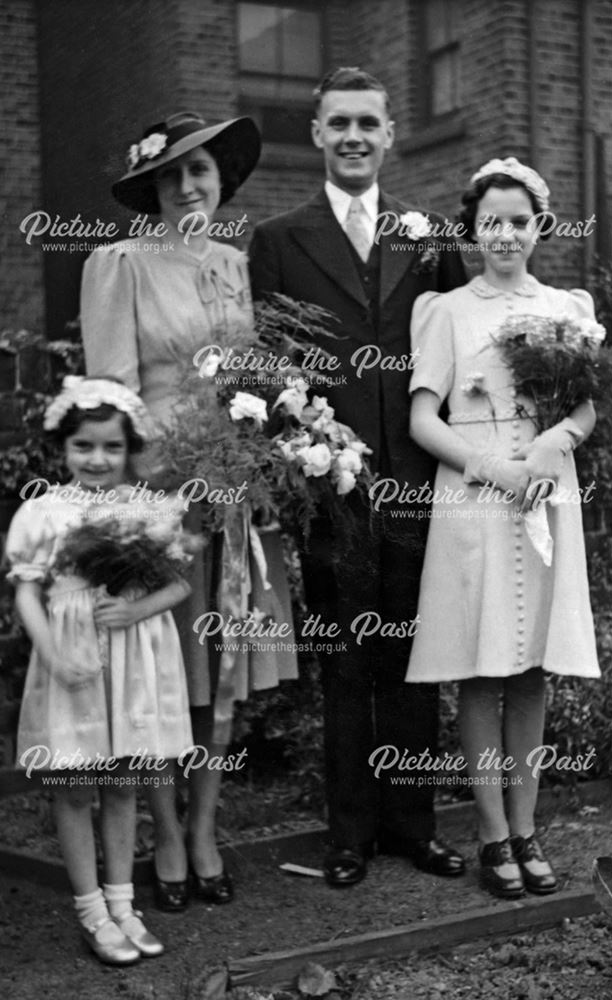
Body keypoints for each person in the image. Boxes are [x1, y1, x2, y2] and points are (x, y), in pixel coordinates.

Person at [249, 67, 467, 887]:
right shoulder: (276, 238)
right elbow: (268, 367)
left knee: (415, 654)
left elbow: (458, 353)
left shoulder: (429, 236)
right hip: (329, 487)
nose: (352, 137)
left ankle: (413, 825)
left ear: (387, 134)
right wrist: (311, 445)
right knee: (344, 660)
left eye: (366, 124)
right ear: (315, 134)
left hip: (417, 483)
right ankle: (347, 835)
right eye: (337, 123)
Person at [80, 112, 297, 910]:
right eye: (170, 176)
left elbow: (258, 384)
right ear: (151, 190)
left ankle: (207, 828)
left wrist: (255, 465)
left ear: (220, 180)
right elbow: (109, 399)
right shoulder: (119, 264)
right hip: (162, 504)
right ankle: (166, 834)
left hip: (234, 500)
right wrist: (144, 505)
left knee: (222, 680)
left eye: (199, 170)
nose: (187, 187)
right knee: (164, 677)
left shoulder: (239, 267)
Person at [406, 156, 601, 898]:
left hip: (546, 491)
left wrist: (556, 443)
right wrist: (493, 468)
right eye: (491, 221)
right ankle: (491, 836)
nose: (505, 234)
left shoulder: (564, 306)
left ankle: (526, 828)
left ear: (536, 226)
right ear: (473, 227)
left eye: (518, 221)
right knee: (482, 668)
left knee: (529, 670)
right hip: (475, 494)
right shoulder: (447, 312)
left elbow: (584, 406)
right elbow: (423, 419)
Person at [6, 376, 194, 964]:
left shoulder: (149, 510)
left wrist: (136, 607)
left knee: (122, 783)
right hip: (74, 661)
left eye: (112, 448)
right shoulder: (43, 511)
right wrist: (54, 653)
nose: (97, 459)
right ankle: (90, 908)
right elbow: (27, 594)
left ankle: (122, 904)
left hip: (133, 658)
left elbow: (179, 584)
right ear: (63, 449)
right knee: (73, 785)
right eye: (83, 446)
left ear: (129, 449)